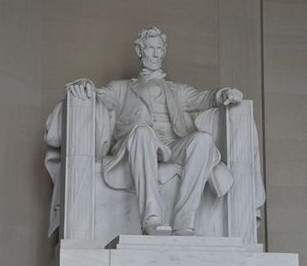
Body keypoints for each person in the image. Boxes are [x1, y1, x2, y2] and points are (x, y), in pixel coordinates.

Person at [68, 26, 256, 236]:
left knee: (202, 140)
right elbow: (98, 94)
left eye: (159, 48)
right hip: (138, 145)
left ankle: (185, 222)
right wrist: (83, 84)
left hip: (171, 146)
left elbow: (206, 98)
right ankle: (152, 219)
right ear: (139, 51)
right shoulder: (121, 88)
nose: (156, 54)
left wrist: (225, 93)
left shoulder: (179, 90)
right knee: (142, 132)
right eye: (150, 48)